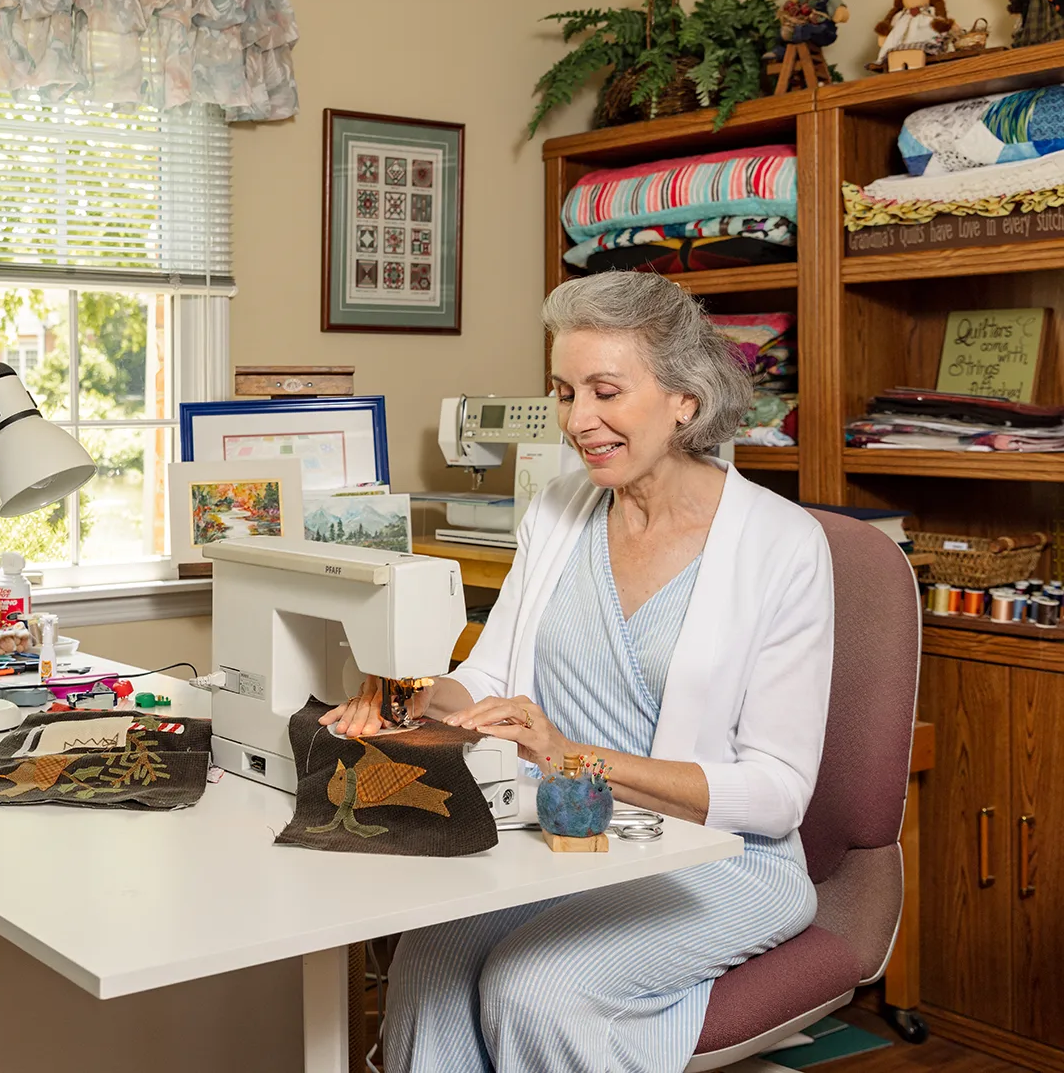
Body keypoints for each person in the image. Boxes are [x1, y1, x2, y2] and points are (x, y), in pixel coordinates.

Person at [323, 271, 833, 1072]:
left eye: (605, 391)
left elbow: (777, 793)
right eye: (564, 392)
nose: (577, 421)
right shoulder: (558, 510)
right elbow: (490, 681)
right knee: (429, 959)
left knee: (538, 986)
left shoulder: (783, 546)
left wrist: (571, 758)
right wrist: (406, 693)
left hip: (724, 858)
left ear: (684, 401)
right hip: (572, 835)